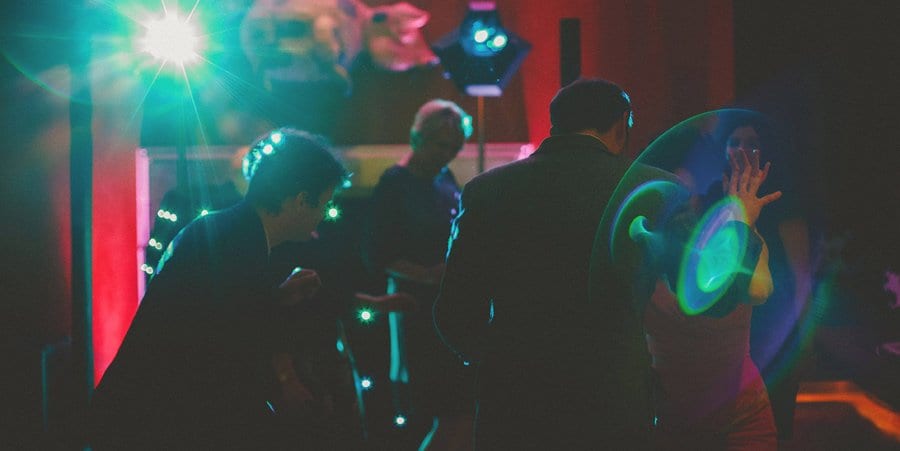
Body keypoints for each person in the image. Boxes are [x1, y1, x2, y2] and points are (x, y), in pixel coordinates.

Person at [90, 128, 349, 449]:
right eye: (323, 203)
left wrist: (276, 298)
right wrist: (286, 384)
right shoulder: (236, 241)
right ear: (300, 200)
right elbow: (226, 345)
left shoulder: (230, 230)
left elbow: (214, 315)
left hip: (142, 414)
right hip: (152, 420)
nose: (324, 216)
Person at [433, 78, 645, 449]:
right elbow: (691, 303)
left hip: (514, 399)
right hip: (614, 397)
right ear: (621, 123)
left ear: (555, 124)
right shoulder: (651, 189)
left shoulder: (487, 190)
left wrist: (497, 361)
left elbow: (455, 309)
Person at [639, 147, 782, 450]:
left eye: (689, 193)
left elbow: (760, 289)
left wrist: (743, 224)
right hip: (676, 428)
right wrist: (743, 221)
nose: (687, 201)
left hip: (743, 422)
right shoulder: (643, 270)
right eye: (677, 194)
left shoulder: (718, 261)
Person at [366, 99, 474, 449]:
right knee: (437, 406)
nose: (448, 155)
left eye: (455, 148)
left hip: (446, 306)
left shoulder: (444, 178)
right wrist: (429, 275)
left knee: (458, 408)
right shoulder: (395, 184)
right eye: (441, 146)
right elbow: (378, 254)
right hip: (414, 308)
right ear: (417, 138)